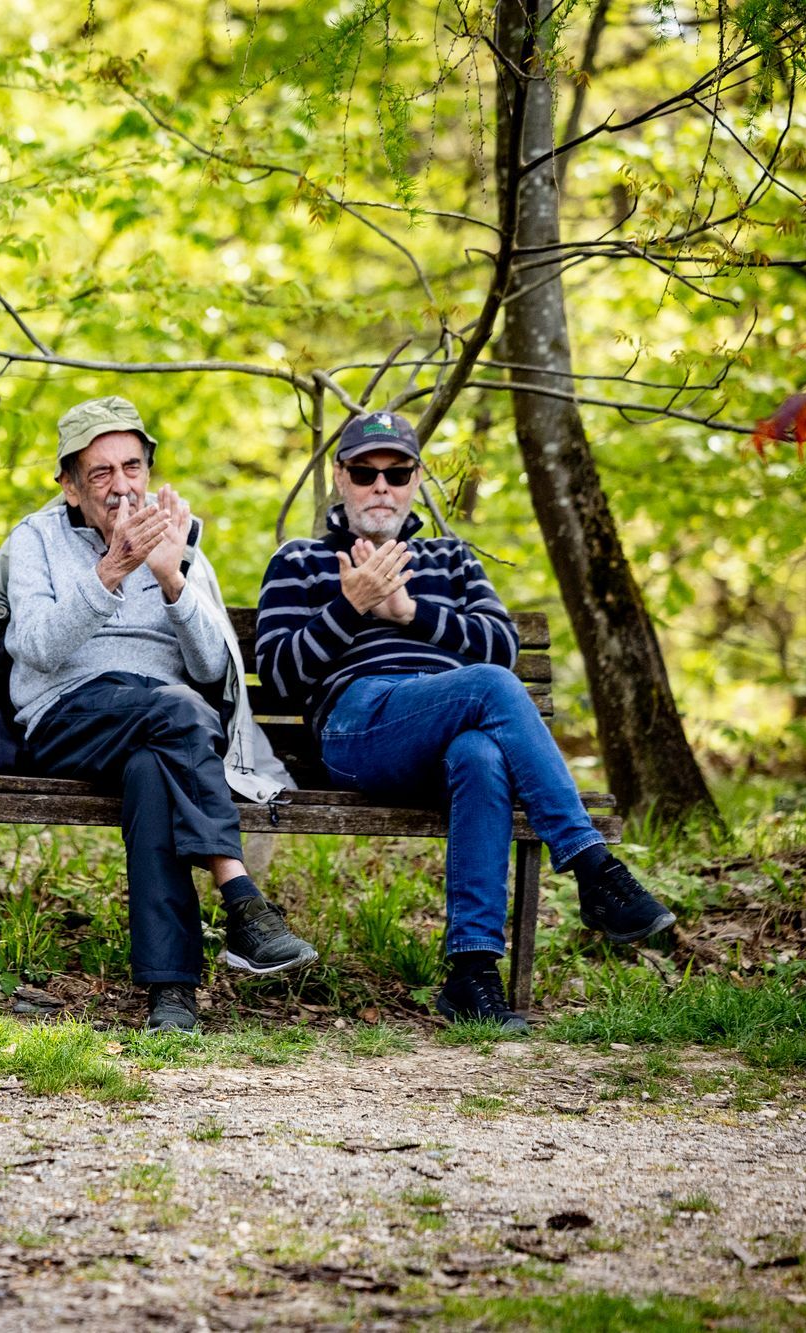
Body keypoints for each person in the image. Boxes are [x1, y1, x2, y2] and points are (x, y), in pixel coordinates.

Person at [254, 410, 675, 1033]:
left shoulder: (451, 560)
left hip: (450, 725)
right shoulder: (300, 562)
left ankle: (471, 976)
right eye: (366, 472)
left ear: (417, 479)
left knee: (481, 754)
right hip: (356, 728)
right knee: (489, 687)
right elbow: (281, 675)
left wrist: (410, 613)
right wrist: (349, 607)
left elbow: (501, 643)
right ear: (340, 478)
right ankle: (594, 869)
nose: (381, 486)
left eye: (396, 472)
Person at [0, 396, 312, 1034]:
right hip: (66, 716)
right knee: (178, 714)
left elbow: (212, 669)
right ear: (71, 486)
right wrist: (113, 570)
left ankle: (172, 995)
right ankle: (240, 895)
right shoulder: (35, 540)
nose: (120, 486)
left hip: (163, 723)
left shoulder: (179, 541)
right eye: (101, 473)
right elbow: (36, 648)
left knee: (152, 769)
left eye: (131, 468)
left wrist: (172, 581)